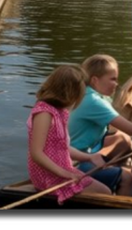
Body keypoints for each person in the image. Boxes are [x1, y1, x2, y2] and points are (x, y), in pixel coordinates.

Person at [27, 64, 113, 203]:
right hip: (48, 175)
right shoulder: (44, 113)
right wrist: (65, 173)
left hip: (62, 170)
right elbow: (36, 153)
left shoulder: (60, 111)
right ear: (70, 91)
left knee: (105, 192)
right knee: (104, 194)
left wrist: (89, 157)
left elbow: (62, 147)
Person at [68, 54, 132, 196]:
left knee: (122, 139)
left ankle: (111, 170)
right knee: (128, 178)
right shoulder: (94, 102)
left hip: (74, 153)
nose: (117, 83)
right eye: (112, 79)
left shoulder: (83, 94)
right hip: (75, 162)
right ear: (95, 80)